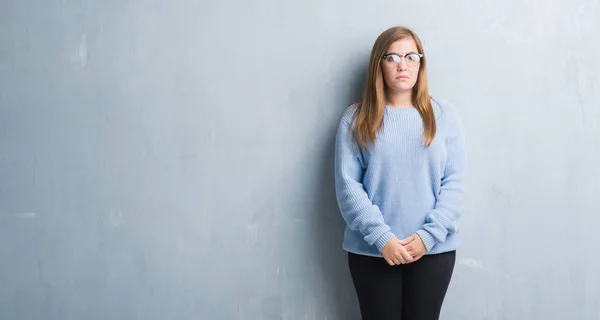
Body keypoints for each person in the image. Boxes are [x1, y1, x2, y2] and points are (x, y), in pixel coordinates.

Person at [333, 26, 467, 320]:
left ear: (421, 64)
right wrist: (382, 238)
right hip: (373, 251)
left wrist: (427, 237)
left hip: (433, 252)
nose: (402, 65)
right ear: (378, 64)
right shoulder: (356, 119)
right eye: (391, 57)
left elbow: (454, 185)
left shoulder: (445, 117)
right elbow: (348, 186)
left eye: (410, 56)